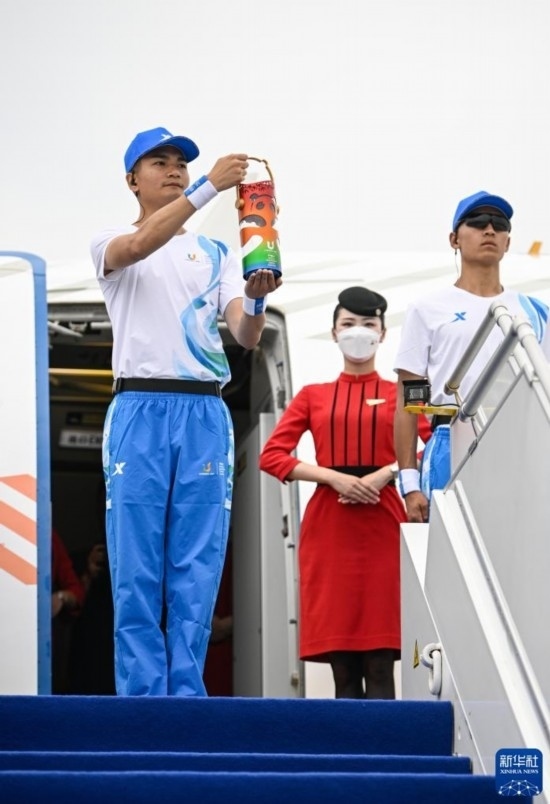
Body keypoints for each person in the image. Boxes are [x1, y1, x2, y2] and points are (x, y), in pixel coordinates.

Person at [90, 126, 282, 696]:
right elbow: (138, 248)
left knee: (197, 561)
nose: (174, 169)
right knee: (137, 559)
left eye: (181, 162)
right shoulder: (110, 241)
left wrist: (256, 295)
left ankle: (184, 691)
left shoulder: (216, 253)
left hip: (203, 410)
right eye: (160, 162)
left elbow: (245, 335)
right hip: (139, 407)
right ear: (132, 180)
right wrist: (207, 189)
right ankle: (142, 693)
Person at [259, 287, 431, 699]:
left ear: (383, 333)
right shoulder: (312, 395)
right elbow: (272, 455)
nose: (359, 332)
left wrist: (386, 473)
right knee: (343, 667)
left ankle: (385, 742)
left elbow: (433, 447)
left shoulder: (404, 392)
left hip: (384, 522)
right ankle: (351, 742)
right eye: (349, 324)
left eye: (369, 324)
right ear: (334, 332)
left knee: (381, 661)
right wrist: (333, 478)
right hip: (329, 526)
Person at [394, 190, 548, 524]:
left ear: (508, 242)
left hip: (519, 445)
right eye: (477, 222)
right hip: (450, 441)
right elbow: (408, 400)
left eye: (499, 224)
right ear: (454, 239)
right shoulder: (427, 310)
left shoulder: (536, 312)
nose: (489, 229)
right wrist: (409, 483)